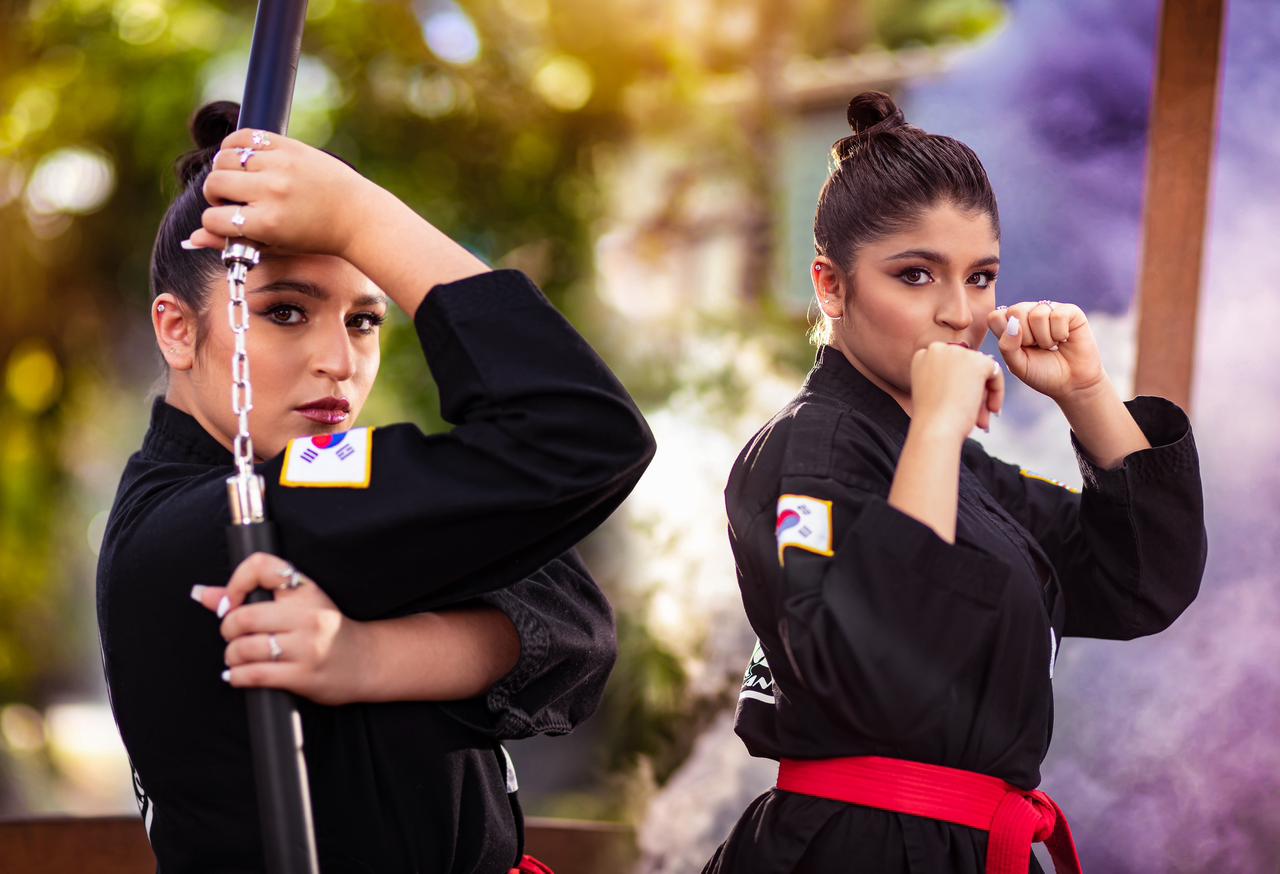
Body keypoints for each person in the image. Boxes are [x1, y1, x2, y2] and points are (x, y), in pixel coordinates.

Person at [96, 100, 655, 873]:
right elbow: (581, 435)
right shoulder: (218, 521)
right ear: (177, 329)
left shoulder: (296, 489)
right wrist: (362, 218)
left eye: (364, 320)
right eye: (285, 311)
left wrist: (369, 656)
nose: (339, 360)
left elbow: (575, 619)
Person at [703, 91, 1206, 873]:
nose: (958, 314)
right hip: (855, 852)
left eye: (981, 278)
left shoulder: (963, 470)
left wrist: (1085, 394)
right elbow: (871, 674)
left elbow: (1141, 583)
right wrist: (939, 425)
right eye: (914, 275)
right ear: (831, 287)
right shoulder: (808, 447)